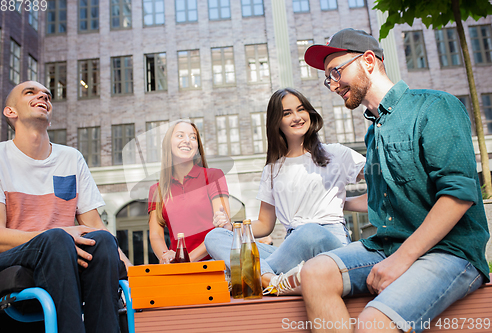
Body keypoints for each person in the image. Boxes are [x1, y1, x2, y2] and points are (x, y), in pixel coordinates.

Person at [297, 28, 490, 333]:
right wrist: (335, 204)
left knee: (373, 323)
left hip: (450, 251)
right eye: (327, 78)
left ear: (369, 61)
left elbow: (459, 195)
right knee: (315, 272)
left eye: (336, 71)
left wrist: (403, 258)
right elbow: (379, 198)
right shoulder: (374, 132)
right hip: (387, 245)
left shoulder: (435, 106)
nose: (332, 85)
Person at [0, 81, 131, 333]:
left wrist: (137, 274)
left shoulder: (71, 158)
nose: (43, 96)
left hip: (63, 254)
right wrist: (58, 236)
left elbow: (96, 226)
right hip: (11, 256)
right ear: (10, 112)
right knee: (56, 237)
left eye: (47, 94)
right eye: (30, 93)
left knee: (103, 239)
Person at [205, 88, 367, 295]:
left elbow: (384, 188)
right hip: (289, 251)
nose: (297, 117)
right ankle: (272, 280)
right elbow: (264, 225)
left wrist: (344, 202)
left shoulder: (335, 153)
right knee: (215, 236)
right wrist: (230, 227)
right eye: (287, 113)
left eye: (301, 110)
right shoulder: (272, 170)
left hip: (328, 243)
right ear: (277, 122)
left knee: (309, 231)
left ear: (310, 113)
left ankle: (251, 275)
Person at [148, 120, 231, 264]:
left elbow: (221, 230)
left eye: (193, 137)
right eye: (180, 135)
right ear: (168, 143)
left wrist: (186, 260)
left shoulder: (213, 176)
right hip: (179, 267)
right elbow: (156, 235)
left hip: (214, 262)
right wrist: (165, 255)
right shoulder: (156, 190)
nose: (187, 141)